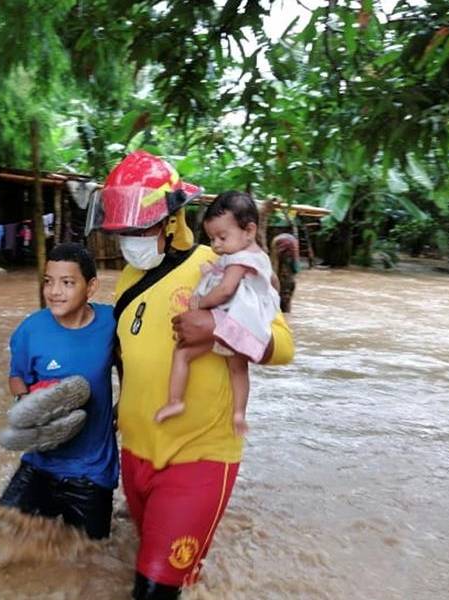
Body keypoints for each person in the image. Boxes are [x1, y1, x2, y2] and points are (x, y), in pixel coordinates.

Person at [86, 150, 295, 598]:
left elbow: (285, 347)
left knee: (153, 592)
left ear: (170, 219)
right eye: (123, 231)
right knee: (153, 567)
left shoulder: (219, 263)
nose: (130, 239)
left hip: (200, 457)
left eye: (140, 228)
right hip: (136, 456)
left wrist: (218, 325)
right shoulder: (127, 280)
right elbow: (130, 362)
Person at [0, 243, 118, 540]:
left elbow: (133, 363)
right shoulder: (30, 330)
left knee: (92, 559)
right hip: (40, 463)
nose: (54, 292)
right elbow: (17, 378)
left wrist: (125, 403)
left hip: (91, 473)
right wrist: (29, 404)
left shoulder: (112, 322)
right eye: (48, 281)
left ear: (90, 287)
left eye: (67, 283)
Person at [154, 191, 279, 437]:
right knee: (237, 368)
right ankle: (239, 414)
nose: (216, 245)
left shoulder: (239, 260)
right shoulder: (254, 257)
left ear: (249, 231)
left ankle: (175, 400)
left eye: (222, 237)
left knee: (182, 352)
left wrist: (200, 303)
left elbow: (224, 291)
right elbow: (272, 284)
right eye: (212, 238)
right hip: (242, 322)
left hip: (230, 321)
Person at [272, 232, 300, 313]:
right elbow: (296, 269)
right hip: (287, 283)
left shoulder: (275, 264)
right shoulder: (292, 265)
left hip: (282, 283)